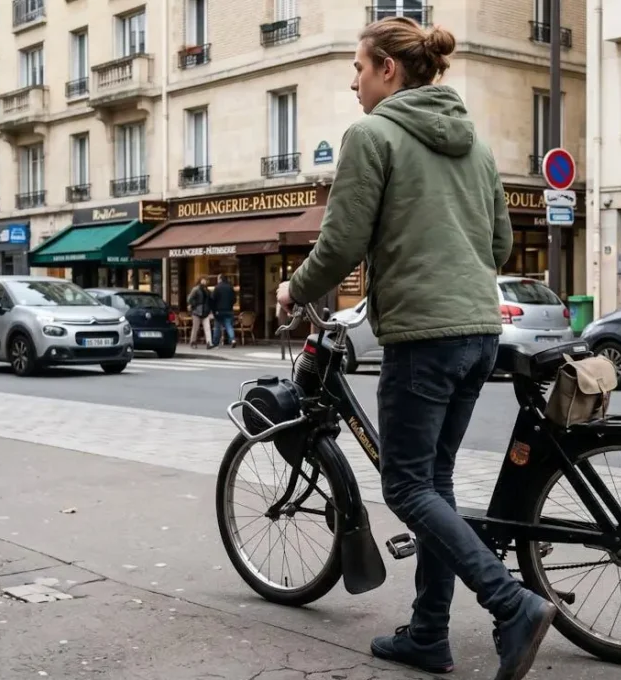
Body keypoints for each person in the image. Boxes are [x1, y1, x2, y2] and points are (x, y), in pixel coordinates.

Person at [275, 17, 554, 680]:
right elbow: (499, 250)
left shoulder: (372, 135)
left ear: (389, 71)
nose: (353, 81)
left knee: (404, 485)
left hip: (423, 337)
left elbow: (341, 244)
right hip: (480, 333)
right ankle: (429, 634)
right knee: (435, 482)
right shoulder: (477, 147)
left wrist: (294, 287)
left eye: (359, 67)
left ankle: (511, 603)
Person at [185, 277, 213, 349]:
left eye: (205, 280)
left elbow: (210, 301)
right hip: (197, 312)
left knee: (207, 327)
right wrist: (195, 304)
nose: (204, 282)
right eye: (203, 280)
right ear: (200, 281)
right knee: (195, 328)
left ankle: (209, 342)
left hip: (205, 311)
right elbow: (189, 299)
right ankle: (193, 342)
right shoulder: (196, 289)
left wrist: (210, 310)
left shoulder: (207, 291)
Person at [210, 274, 237, 349]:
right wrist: (230, 305)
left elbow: (213, 299)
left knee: (217, 327)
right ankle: (233, 339)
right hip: (229, 310)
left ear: (220, 279)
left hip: (219, 310)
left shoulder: (217, 287)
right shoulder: (230, 287)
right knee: (229, 326)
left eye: (218, 278)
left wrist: (213, 309)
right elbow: (234, 299)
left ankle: (215, 343)